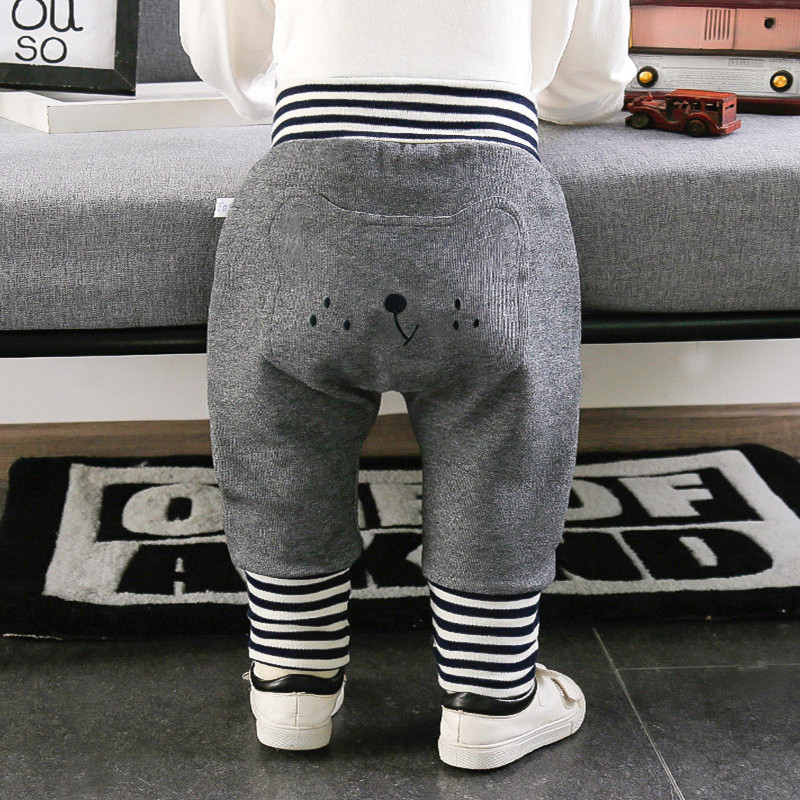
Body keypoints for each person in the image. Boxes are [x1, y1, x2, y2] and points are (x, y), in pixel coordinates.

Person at [179, 0, 637, 771]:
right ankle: (492, 699)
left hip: (310, 174)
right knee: (507, 438)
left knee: (274, 429)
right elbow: (590, 85)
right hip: (491, 191)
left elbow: (224, 56)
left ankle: (292, 681)